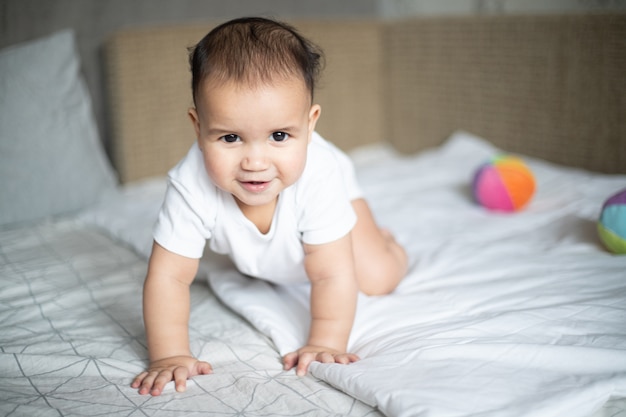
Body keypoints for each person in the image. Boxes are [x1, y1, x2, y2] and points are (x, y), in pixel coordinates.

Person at [131, 16, 408, 397]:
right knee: (265, 265)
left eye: (279, 135)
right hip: (285, 241)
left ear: (309, 126)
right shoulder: (189, 184)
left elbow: (330, 274)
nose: (256, 162)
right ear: (198, 128)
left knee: (376, 277)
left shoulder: (319, 173)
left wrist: (325, 341)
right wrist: (169, 355)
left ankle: (384, 239)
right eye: (230, 137)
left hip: (330, 207)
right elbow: (168, 277)